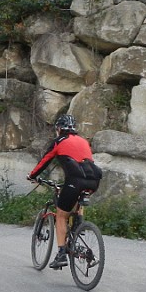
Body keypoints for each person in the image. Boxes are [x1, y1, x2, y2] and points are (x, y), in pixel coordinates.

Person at [27, 114, 102, 269]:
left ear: (59, 129)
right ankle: (78, 225)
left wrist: (32, 175)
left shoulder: (59, 141)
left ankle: (61, 254)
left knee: (61, 216)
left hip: (75, 180)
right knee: (77, 200)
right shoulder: (83, 141)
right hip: (94, 180)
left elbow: (44, 161)